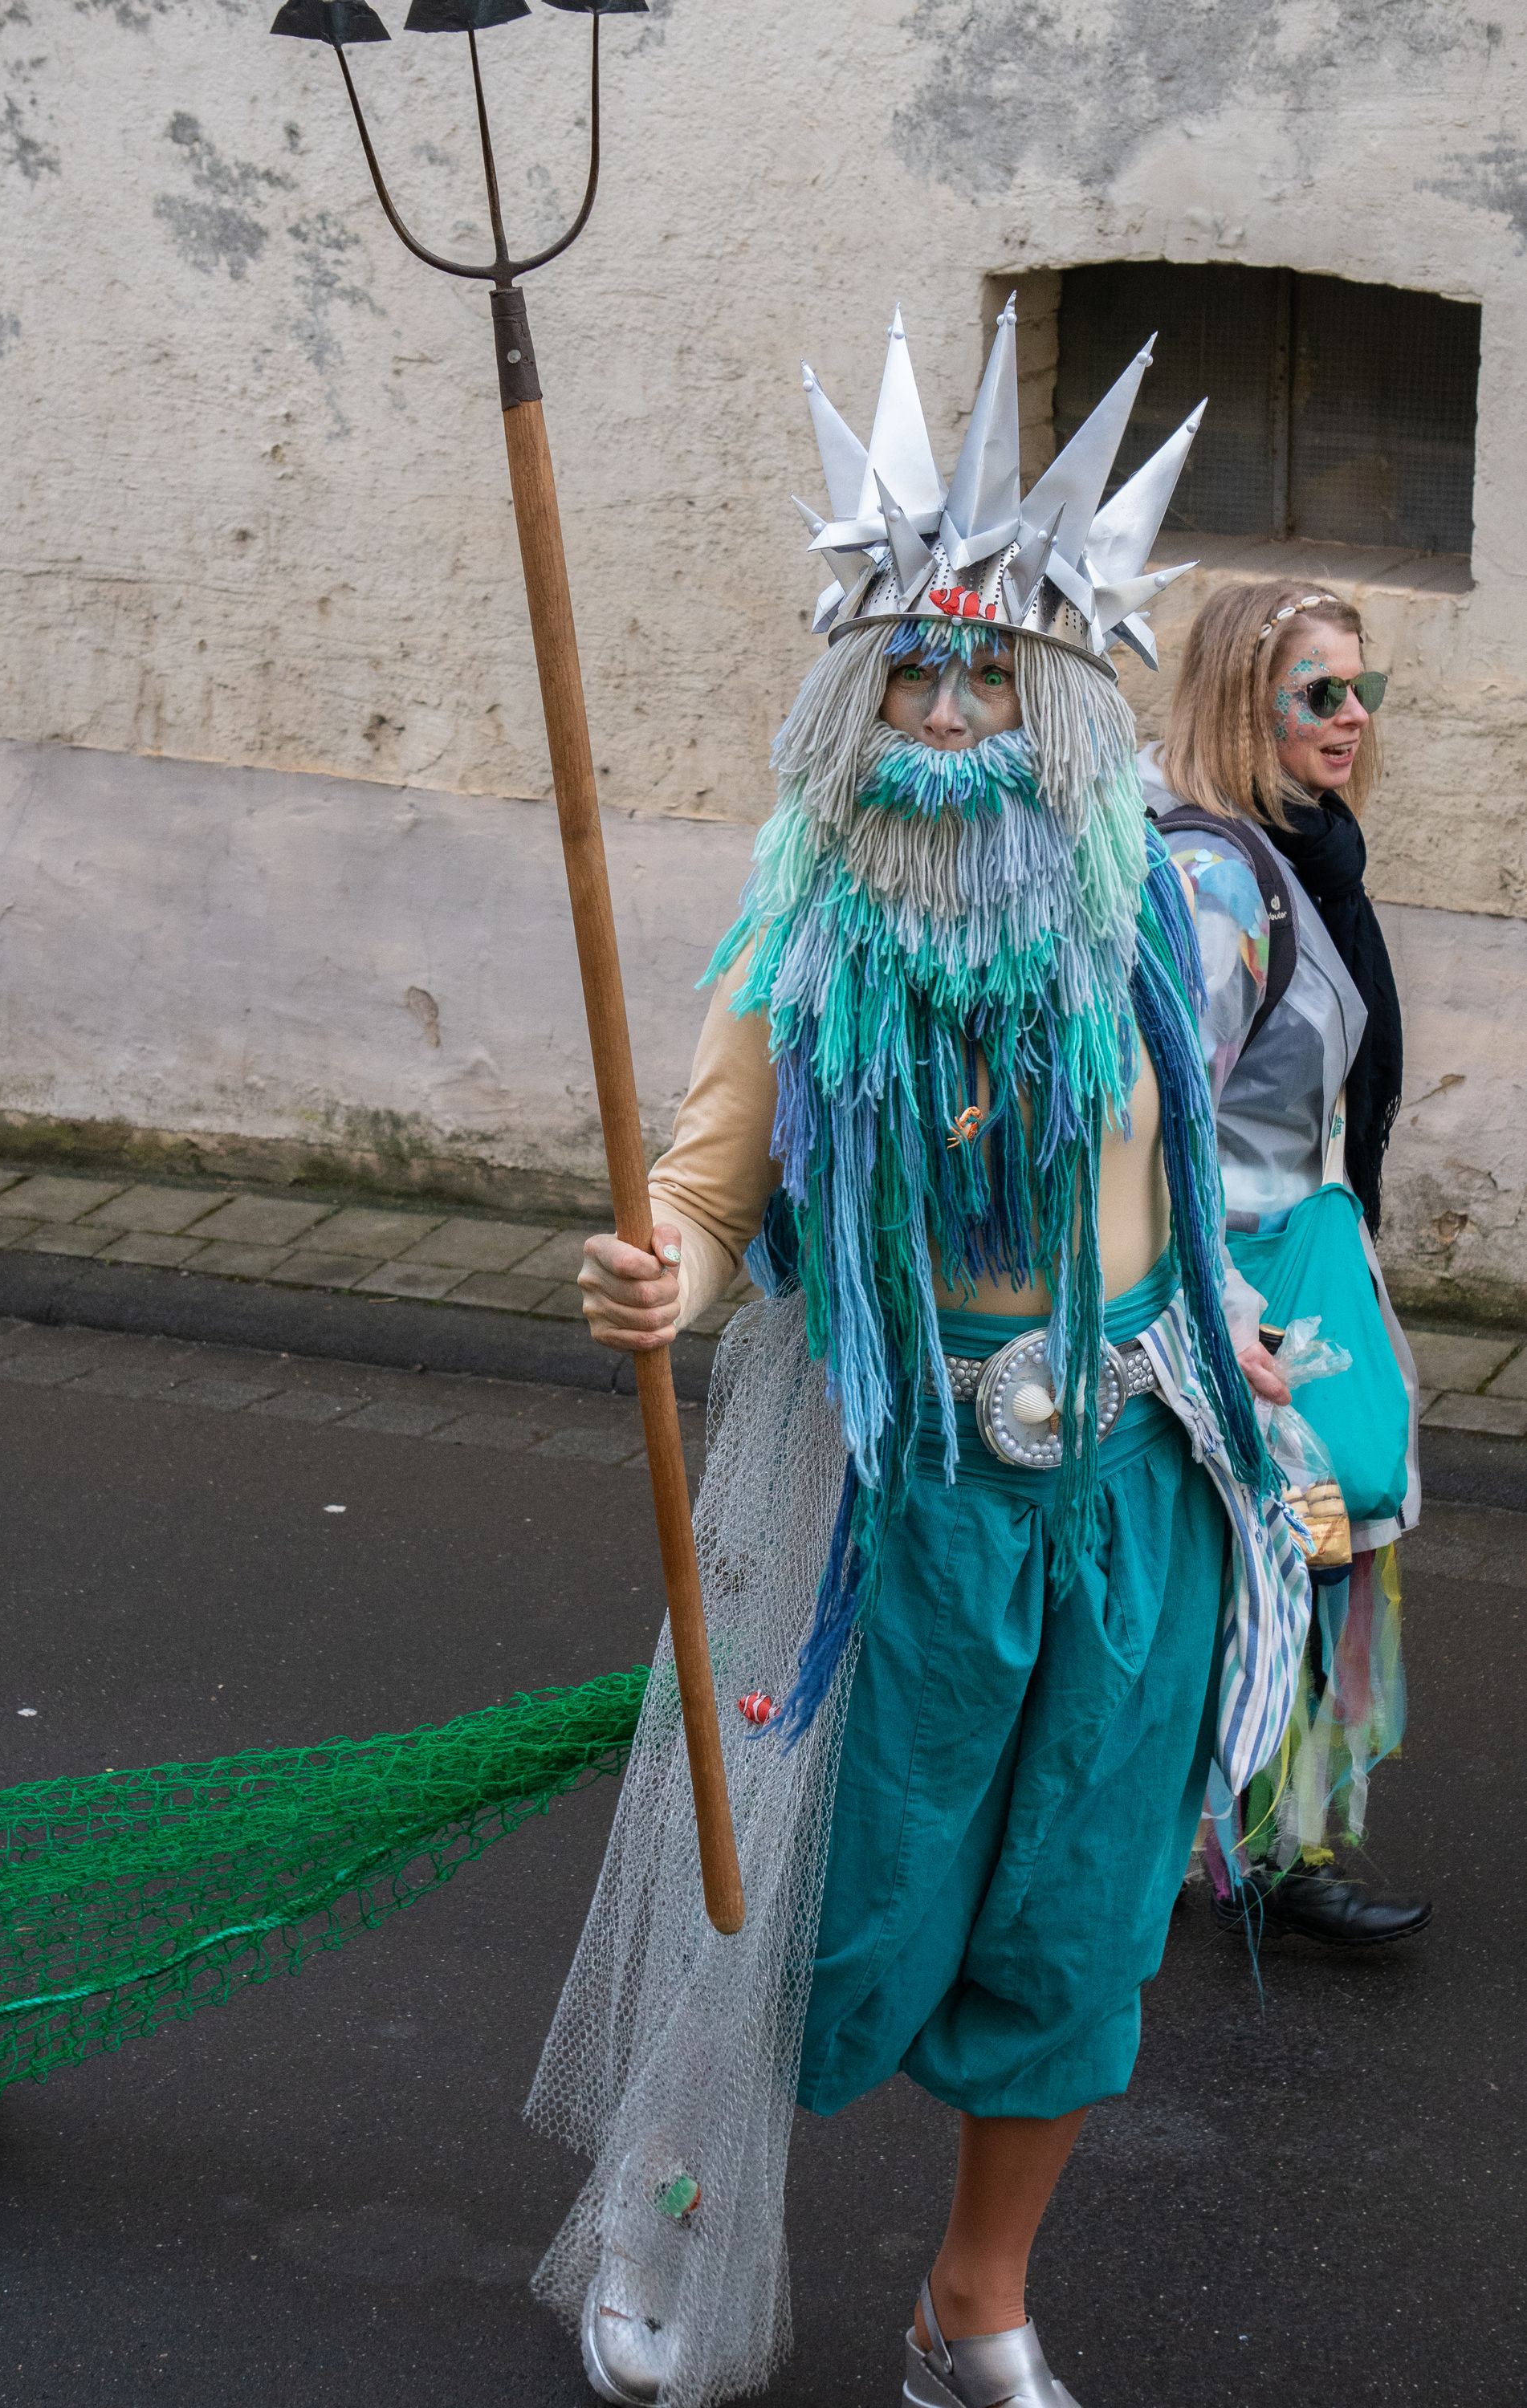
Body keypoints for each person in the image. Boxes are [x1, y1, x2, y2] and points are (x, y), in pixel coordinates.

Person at [525, 304, 1311, 2408]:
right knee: (782, 1894)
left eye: (991, 671)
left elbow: (1212, 1176)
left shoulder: (1175, 912)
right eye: (910, 672)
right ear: (852, 690)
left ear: (1064, 698)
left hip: (1125, 1493)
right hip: (889, 1495)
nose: (946, 712)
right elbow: (702, 1192)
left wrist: (1233, 1337)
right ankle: (668, 2220)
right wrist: (662, 1281)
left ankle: (974, 2307)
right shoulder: (805, 929)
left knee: (1073, 1922)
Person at [1142, 582, 1428, 1946]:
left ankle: (1271, 1835)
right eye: (1318, 691)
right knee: (1283, 1552)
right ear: (1241, 701)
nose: (1351, 715)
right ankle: (1250, 1847)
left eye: (1357, 688)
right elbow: (1155, 1131)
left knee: (1315, 1546)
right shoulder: (1213, 880)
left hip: (1304, 1255)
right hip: (1239, 1287)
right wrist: (1225, 1313)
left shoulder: (1310, 854)